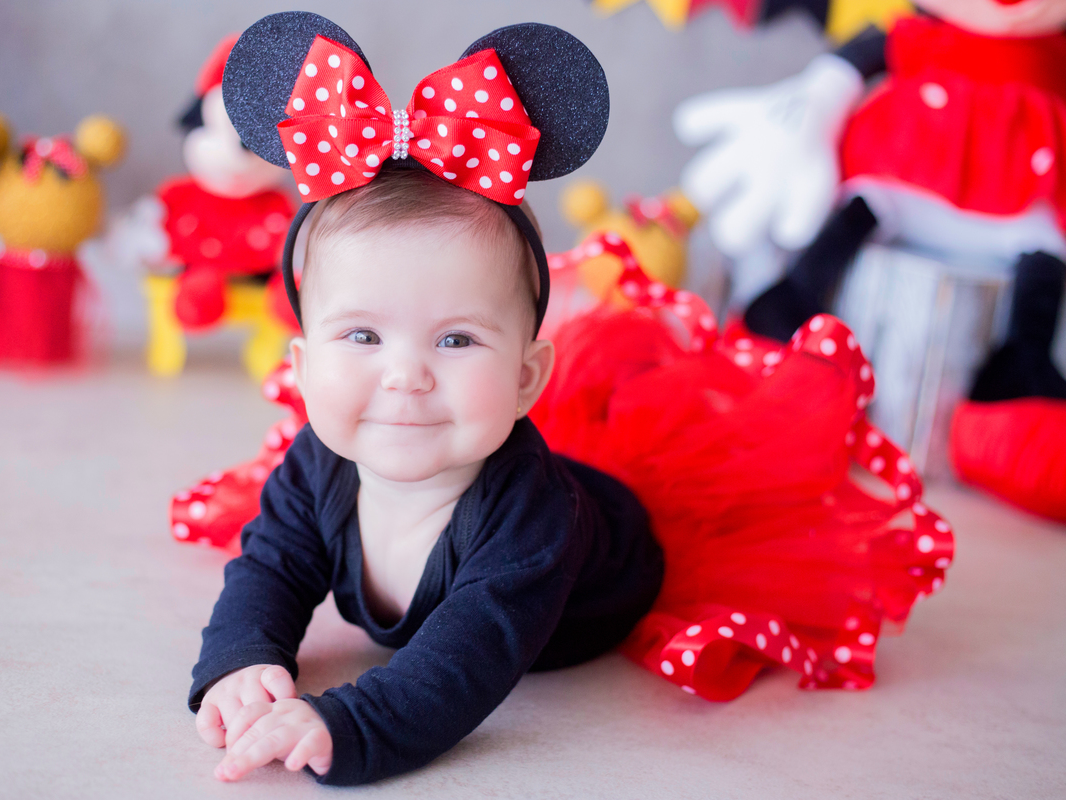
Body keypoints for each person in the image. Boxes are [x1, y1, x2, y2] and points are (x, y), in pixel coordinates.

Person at [187, 12, 955, 787]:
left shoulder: (529, 516)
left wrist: (347, 722)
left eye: (456, 340)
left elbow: (468, 656)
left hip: (611, 560)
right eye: (361, 337)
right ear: (303, 363)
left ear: (527, 377)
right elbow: (272, 566)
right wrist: (242, 657)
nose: (405, 375)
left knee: (597, 534)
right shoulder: (314, 463)